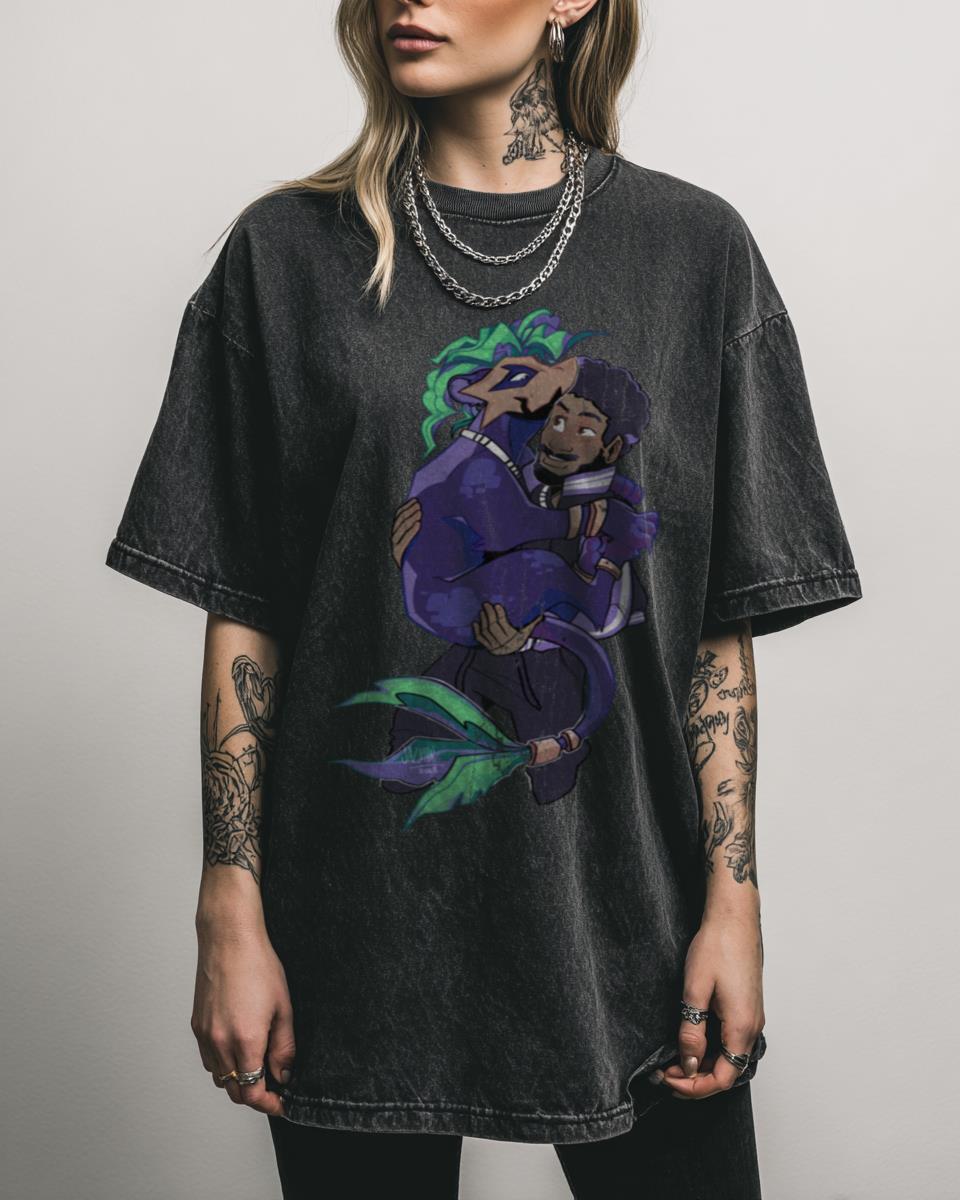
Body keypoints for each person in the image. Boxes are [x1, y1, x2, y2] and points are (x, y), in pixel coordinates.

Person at [103, 0, 864, 1196]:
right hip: (355, 926)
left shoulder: (695, 252)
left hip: (632, 919)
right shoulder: (285, 255)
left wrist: (734, 901)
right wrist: (229, 904)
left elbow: (715, 633)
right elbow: (245, 609)